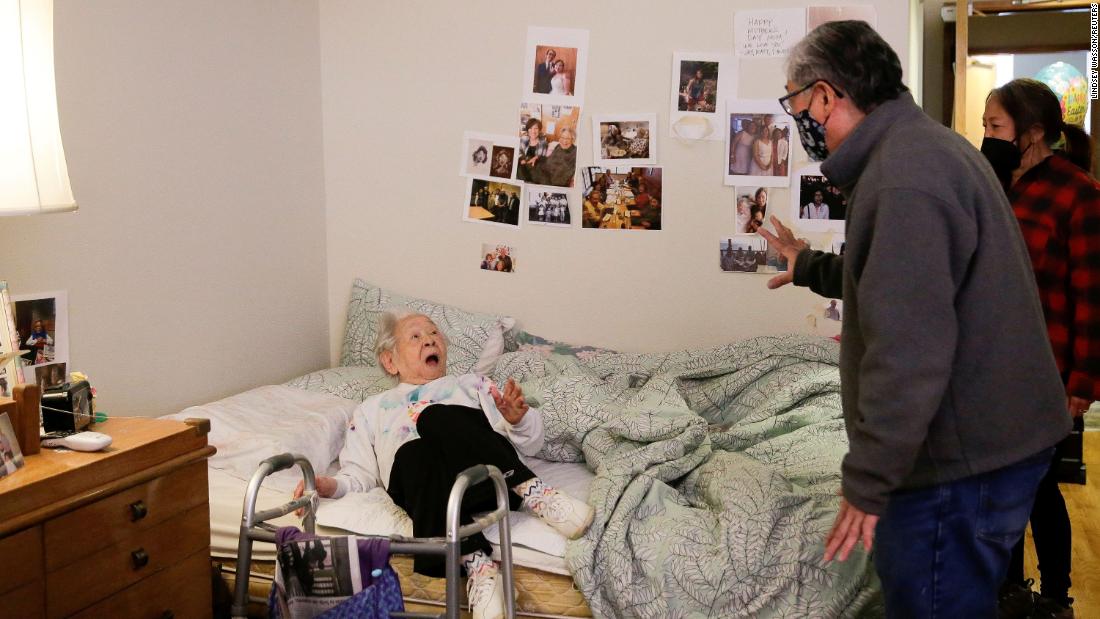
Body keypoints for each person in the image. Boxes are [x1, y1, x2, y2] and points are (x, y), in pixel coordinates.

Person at [759, 20, 1069, 617]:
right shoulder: (923, 149)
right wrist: (808, 266)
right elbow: (896, 280)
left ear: (825, 96)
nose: (800, 122)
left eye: (797, 105)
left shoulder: (904, 179)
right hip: (995, 449)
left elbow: (909, 350)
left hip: (959, 468)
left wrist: (868, 480)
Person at [293, 311, 593, 619]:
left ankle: (538, 494)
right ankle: (479, 567)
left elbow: (527, 444)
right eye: (416, 337)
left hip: (490, 481)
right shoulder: (372, 410)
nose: (429, 340)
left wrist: (518, 420)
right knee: (412, 455)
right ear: (390, 361)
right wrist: (330, 485)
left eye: (434, 334)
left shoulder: (470, 386)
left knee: (434, 416)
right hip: (431, 495)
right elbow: (360, 475)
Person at [982, 78, 1100, 619]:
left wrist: (1083, 383)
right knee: (1000, 485)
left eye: (995, 126)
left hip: (1048, 372)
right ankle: (1009, 589)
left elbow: (1091, 295)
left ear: (1032, 133)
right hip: (991, 367)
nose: (986, 136)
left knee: (1038, 485)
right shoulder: (998, 185)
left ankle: (1055, 596)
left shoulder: (1078, 193)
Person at [518, 118, 548, 184]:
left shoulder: (543, 143)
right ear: (527, 130)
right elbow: (518, 152)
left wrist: (536, 158)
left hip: (535, 171)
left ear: (539, 130)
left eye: (536, 128)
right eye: (530, 128)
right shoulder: (523, 139)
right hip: (522, 168)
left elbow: (543, 159)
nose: (533, 131)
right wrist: (521, 159)